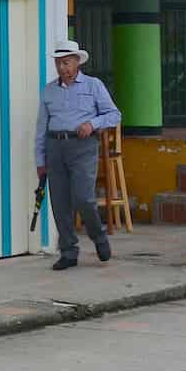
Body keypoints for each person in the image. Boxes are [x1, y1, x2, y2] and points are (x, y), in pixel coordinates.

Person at [35, 40, 121, 271]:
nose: (62, 68)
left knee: (84, 198)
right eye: (58, 63)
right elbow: (41, 127)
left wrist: (92, 124)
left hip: (82, 146)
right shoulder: (49, 90)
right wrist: (40, 160)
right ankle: (69, 251)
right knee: (60, 203)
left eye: (66, 62)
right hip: (55, 146)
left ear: (76, 62)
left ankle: (99, 237)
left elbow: (114, 115)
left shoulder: (93, 86)